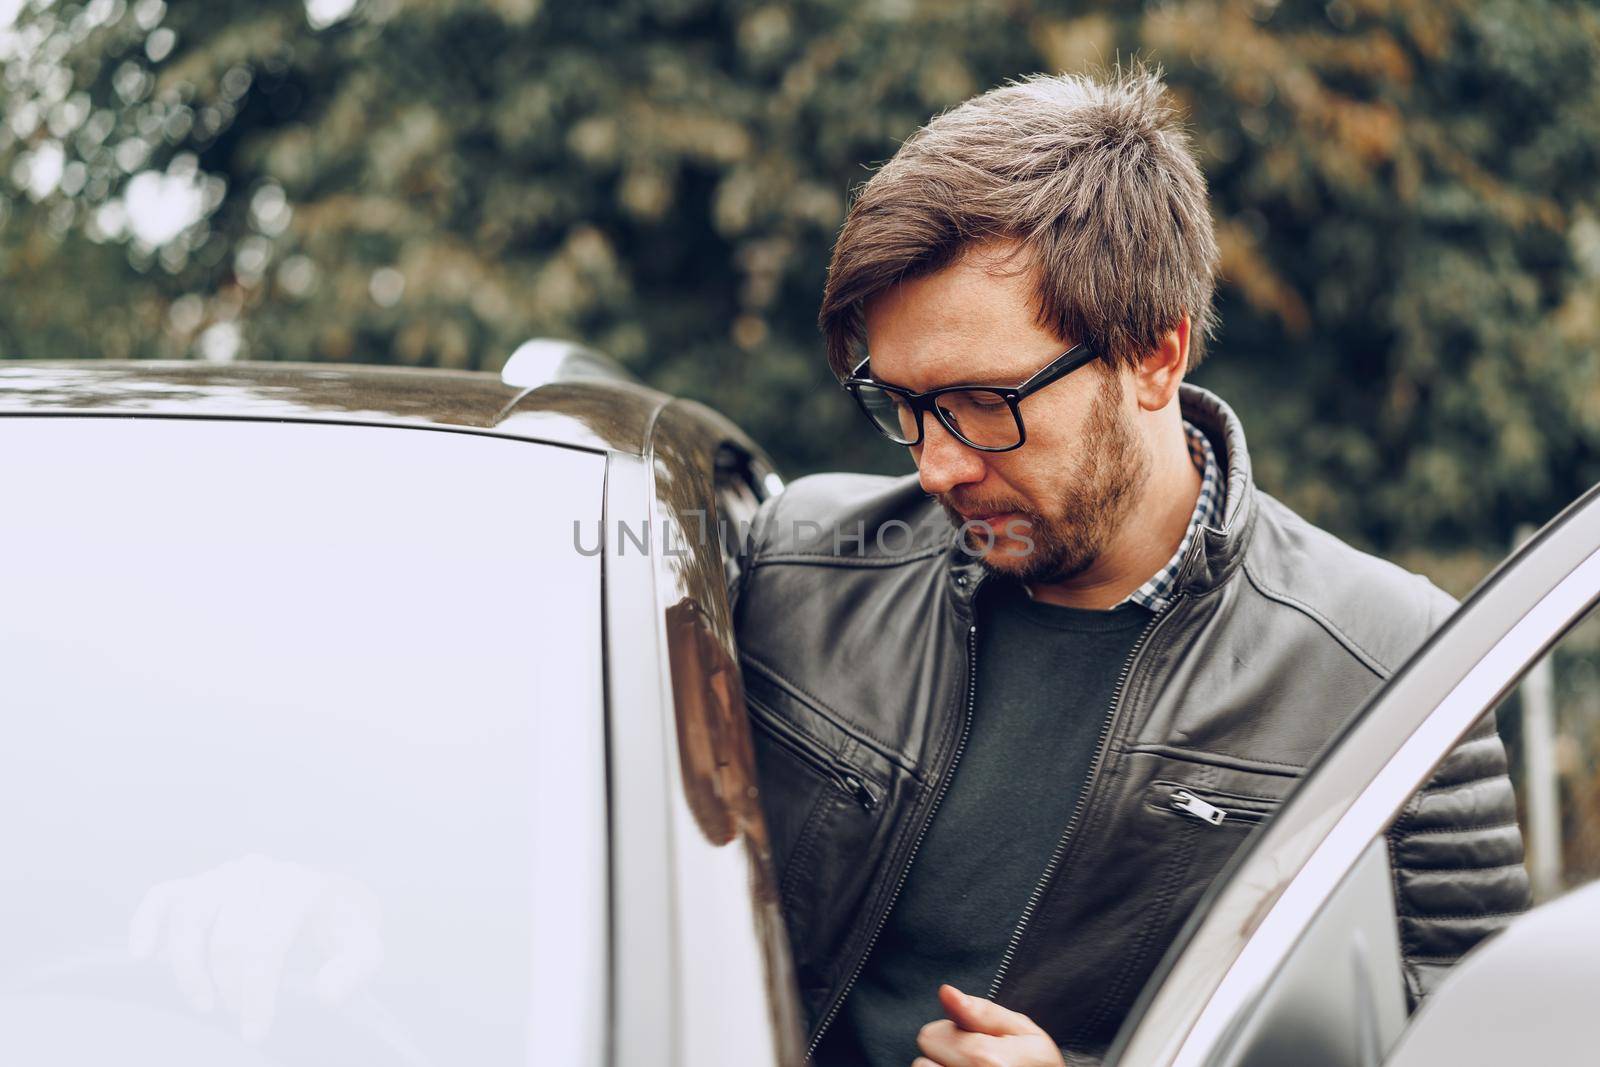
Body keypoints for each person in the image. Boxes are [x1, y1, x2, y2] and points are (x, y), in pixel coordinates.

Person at [727, 67, 1530, 1067]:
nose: (935, 462)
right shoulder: (798, 562)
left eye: (983, 401)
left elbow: (1481, 1046)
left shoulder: (1391, 665)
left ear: (1154, 354)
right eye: (900, 401)